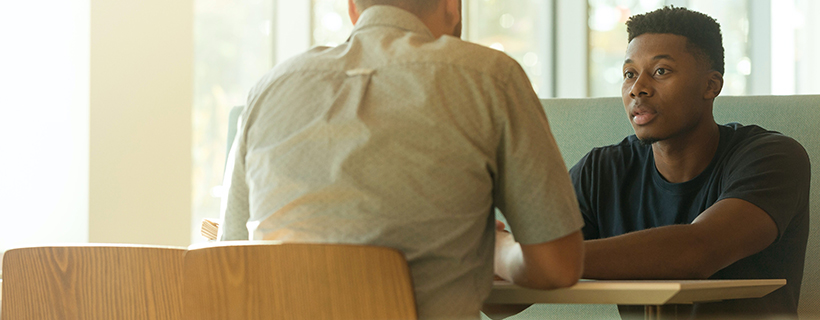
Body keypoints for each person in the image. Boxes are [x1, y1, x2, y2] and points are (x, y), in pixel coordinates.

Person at [217, 0, 585, 319]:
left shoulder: (269, 89)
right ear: (452, 6)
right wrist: (498, 251)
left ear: (353, 9)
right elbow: (557, 266)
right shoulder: (490, 77)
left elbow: (226, 263)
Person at [570, 6, 810, 319]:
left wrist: (537, 258)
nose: (636, 88)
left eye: (660, 72)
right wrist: (500, 256)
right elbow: (502, 304)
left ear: (711, 85)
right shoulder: (600, 171)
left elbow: (696, 252)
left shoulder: (772, 157)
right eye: (629, 74)